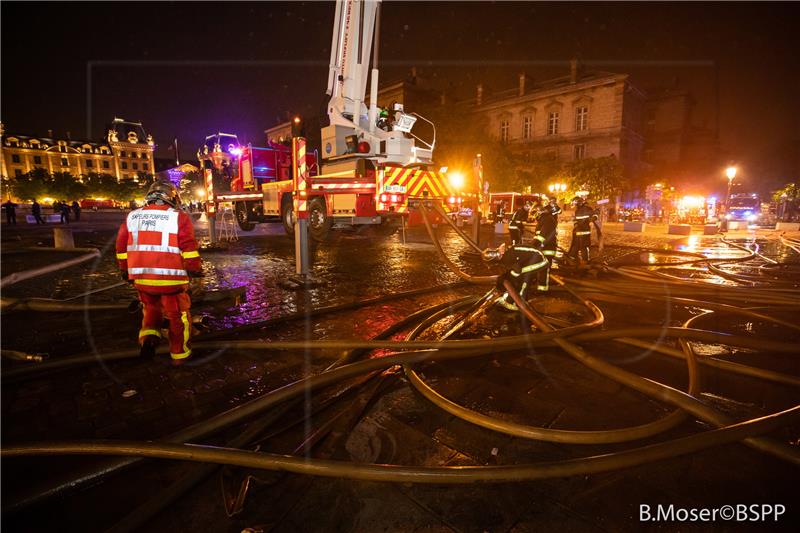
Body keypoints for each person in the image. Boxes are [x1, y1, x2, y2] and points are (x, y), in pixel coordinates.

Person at [116, 181, 202, 363]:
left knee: (150, 311)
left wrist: (125, 270)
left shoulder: (132, 216)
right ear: (171, 197)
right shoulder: (179, 217)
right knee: (178, 317)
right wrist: (194, 269)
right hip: (171, 282)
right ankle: (180, 354)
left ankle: (148, 340)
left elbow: (121, 247)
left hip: (142, 279)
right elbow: (189, 247)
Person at [482, 241, 549, 311]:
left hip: (539, 261)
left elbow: (517, 272)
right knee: (517, 276)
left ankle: (516, 304)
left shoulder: (506, 258)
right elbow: (515, 265)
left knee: (522, 279)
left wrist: (508, 278)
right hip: (536, 257)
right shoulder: (506, 253)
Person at [532, 203, 560, 287]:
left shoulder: (547, 219)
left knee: (544, 269)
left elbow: (542, 235)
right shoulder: (544, 219)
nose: (534, 217)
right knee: (540, 267)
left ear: (538, 213)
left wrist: (534, 243)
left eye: (534, 214)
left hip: (547, 248)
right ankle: (538, 284)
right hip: (543, 247)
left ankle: (542, 288)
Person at [567, 196, 601, 264]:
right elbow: (576, 220)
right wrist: (576, 224)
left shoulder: (586, 208)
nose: (575, 205)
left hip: (584, 231)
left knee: (584, 247)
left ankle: (585, 261)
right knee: (575, 246)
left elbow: (595, 214)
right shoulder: (577, 210)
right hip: (578, 231)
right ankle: (572, 259)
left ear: (579, 203)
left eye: (576, 204)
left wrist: (594, 218)